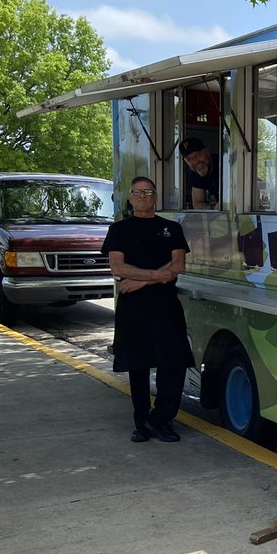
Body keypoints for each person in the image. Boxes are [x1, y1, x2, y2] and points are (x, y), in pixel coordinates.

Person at [101, 177, 194, 443]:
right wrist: (156, 275)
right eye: (137, 192)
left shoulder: (171, 228)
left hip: (166, 305)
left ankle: (162, 420)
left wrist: (142, 281)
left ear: (155, 197)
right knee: (137, 364)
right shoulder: (118, 230)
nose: (143, 196)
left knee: (174, 362)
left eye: (148, 192)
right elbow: (117, 268)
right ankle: (141, 423)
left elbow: (178, 266)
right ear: (129, 198)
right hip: (134, 310)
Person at [179, 137, 219, 209]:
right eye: (189, 159)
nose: (195, 161)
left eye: (197, 155)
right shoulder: (197, 172)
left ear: (207, 152)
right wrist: (213, 208)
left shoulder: (224, 165)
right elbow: (197, 203)